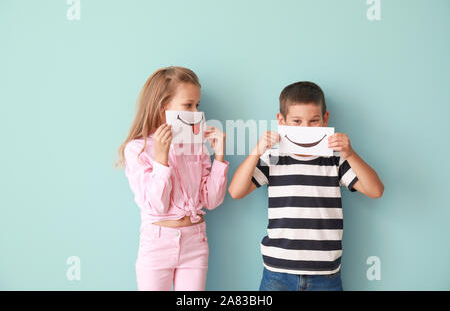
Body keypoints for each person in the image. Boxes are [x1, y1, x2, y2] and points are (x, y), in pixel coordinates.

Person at [228, 81, 384, 291]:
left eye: (313, 121)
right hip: (278, 271)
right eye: (297, 121)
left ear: (325, 119)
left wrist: (350, 154)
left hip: (325, 275)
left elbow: (376, 190)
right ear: (281, 121)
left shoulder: (335, 160)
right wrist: (257, 151)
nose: (305, 128)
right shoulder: (273, 159)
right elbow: (236, 191)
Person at [116, 66, 228, 290]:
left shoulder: (196, 146)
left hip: (195, 242)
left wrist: (220, 157)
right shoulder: (137, 149)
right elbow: (157, 206)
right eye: (188, 105)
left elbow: (212, 201)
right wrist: (161, 158)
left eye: (197, 105)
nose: (196, 112)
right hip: (157, 244)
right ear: (163, 107)